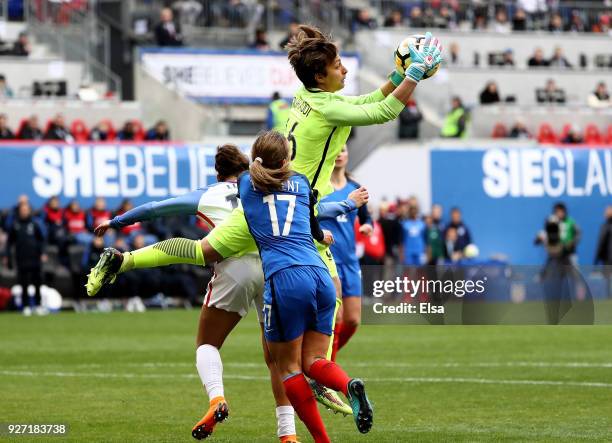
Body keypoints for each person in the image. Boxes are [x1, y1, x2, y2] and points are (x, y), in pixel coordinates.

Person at [86, 23, 442, 410]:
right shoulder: (328, 105)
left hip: (269, 198)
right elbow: (386, 110)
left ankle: (123, 260)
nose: (344, 69)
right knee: (332, 295)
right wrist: (414, 74)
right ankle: (318, 372)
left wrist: (402, 75)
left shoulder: (311, 96)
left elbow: (372, 99)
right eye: (338, 65)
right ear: (320, 75)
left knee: (206, 251)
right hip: (294, 209)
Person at [87, 142, 368, 440]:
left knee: (205, 323)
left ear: (220, 171)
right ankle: (288, 433)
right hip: (278, 268)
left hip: (238, 265)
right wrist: (348, 204)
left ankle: (216, 397)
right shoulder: (292, 185)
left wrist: (118, 221)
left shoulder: (225, 190)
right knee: (279, 360)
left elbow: (158, 208)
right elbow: (317, 209)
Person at [239, 131, 373, 442]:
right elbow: (313, 221)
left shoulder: (246, 183)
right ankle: (347, 383)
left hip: (285, 279)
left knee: (287, 367)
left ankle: (322, 441)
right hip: (320, 275)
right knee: (314, 361)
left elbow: (253, 175)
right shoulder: (301, 183)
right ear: (286, 160)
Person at [319, 145, 372, 361]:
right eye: (336, 150)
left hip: (350, 261)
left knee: (352, 320)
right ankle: (327, 369)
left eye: (344, 150)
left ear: (348, 155)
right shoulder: (321, 187)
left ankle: (322, 360)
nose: (340, 154)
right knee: (336, 318)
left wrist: (367, 226)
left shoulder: (356, 187)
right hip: (329, 259)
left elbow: (367, 217)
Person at [5, 202, 46, 316]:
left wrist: (42, 253)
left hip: (35, 258)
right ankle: (26, 306)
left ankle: (38, 305)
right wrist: (7, 257)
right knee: (24, 283)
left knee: (37, 283)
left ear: (29, 211)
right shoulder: (15, 225)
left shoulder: (34, 224)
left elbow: (41, 240)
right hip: (21, 258)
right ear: (19, 211)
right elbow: (9, 243)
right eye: (22, 210)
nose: (24, 212)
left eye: (26, 209)